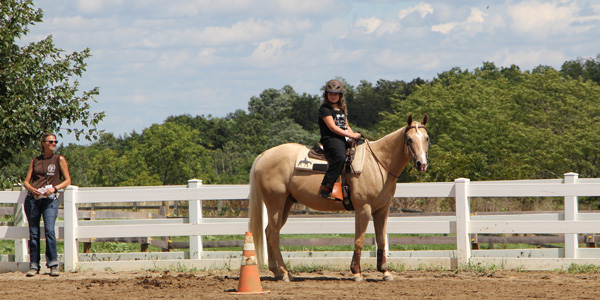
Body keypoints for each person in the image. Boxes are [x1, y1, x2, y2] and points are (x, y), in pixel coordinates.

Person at [22, 133, 71, 277]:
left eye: (55, 141)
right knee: (34, 232)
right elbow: (26, 182)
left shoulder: (59, 159)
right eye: (50, 141)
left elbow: (67, 180)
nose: (53, 143)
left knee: (50, 230)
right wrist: (32, 189)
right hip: (33, 200)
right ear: (43, 143)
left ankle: (53, 264)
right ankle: (34, 265)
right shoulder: (35, 160)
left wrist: (54, 188)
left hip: (49, 199)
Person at [317, 79, 361, 199]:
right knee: (340, 157)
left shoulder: (341, 108)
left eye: (335, 94)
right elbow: (333, 128)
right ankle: (327, 187)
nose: (333, 96)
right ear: (326, 95)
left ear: (340, 95)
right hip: (331, 138)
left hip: (343, 137)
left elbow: (346, 126)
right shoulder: (325, 109)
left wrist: (353, 136)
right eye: (331, 94)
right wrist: (350, 136)